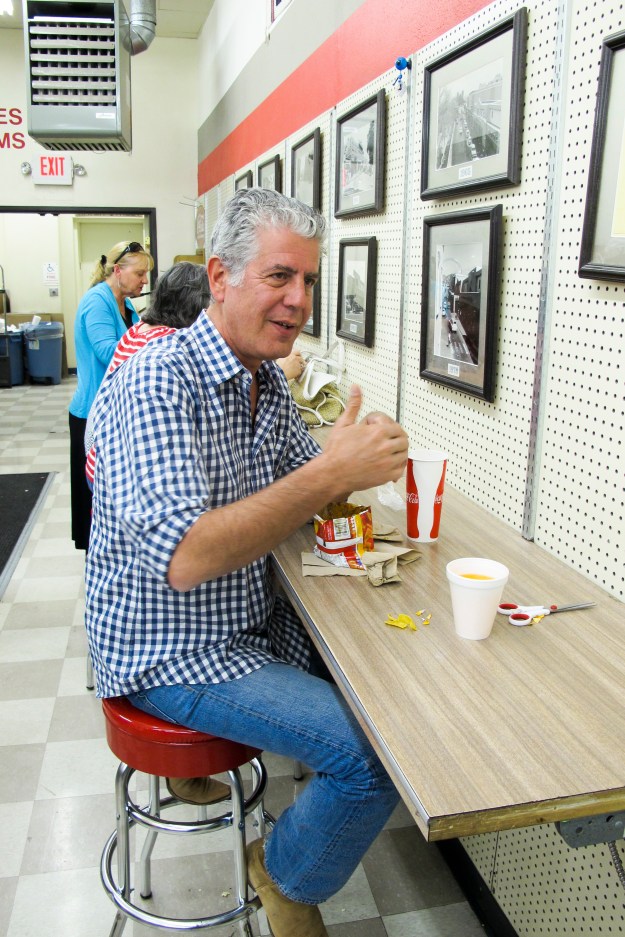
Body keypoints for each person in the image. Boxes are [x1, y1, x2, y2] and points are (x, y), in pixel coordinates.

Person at [85, 188, 408, 937]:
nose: (298, 301)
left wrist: (358, 459)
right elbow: (188, 557)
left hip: (248, 624)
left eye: (308, 282)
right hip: (174, 651)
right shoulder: (158, 377)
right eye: (278, 277)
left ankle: (292, 850)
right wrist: (328, 474)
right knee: (372, 751)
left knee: (387, 679)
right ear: (220, 276)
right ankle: (285, 874)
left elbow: (308, 484)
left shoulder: (260, 379)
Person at [69, 240, 153, 551]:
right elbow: (109, 351)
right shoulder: (97, 301)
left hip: (113, 412)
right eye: (140, 273)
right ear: (118, 270)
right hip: (90, 413)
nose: (145, 280)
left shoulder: (127, 304)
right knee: (92, 496)